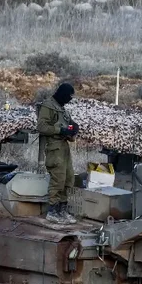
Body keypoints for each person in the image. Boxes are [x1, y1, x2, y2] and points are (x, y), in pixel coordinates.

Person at [37, 82, 79, 224]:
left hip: (64, 148)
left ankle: (62, 210)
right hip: (54, 148)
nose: (69, 99)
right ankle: (53, 211)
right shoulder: (48, 106)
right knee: (58, 180)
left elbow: (69, 124)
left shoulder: (63, 110)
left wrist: (73, 129)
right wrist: (60, 130)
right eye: (68, 96)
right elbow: (42, 126)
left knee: (69, 179)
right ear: (62, 94)